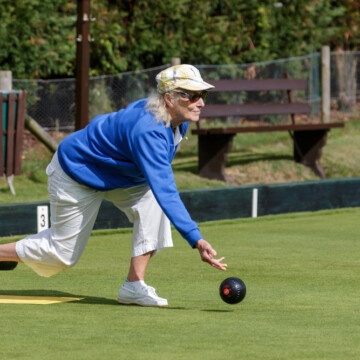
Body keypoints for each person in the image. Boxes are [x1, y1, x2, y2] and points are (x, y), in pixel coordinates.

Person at [0, 64, 227, 307]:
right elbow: (166, 189)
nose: (200, 102)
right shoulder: (148, 131)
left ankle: (133, 286)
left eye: (202, 95)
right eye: (191, 96)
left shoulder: (179, 118)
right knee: (61, 256)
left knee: (154, 205)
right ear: (169, 99)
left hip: (120, 176)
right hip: (77, 172)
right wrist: (196, 239)